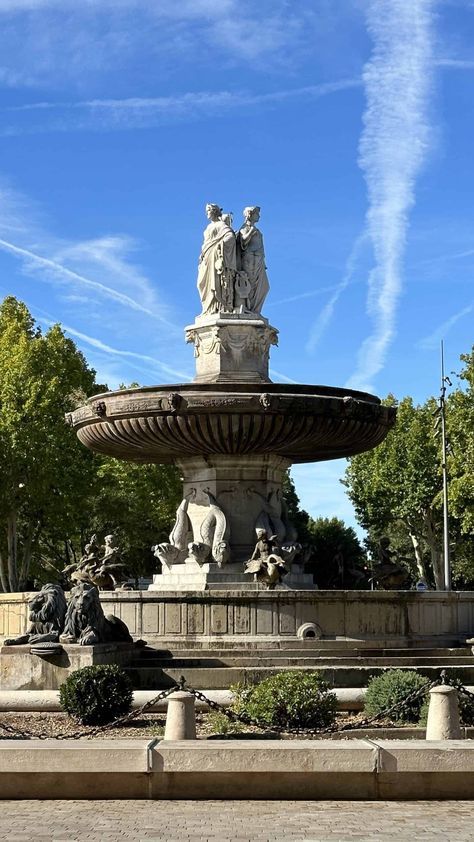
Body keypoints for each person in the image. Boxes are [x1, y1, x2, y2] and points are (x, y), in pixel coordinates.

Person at [197, 203, 236, 314]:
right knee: (201, 283)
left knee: (216, 282)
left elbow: (230, 236)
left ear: (215, 211)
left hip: (215, 256)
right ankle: (208, 308)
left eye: (208, 210)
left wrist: (220, 245)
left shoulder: (220, 225)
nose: (206, 213)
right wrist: (202, 253)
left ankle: (217, 306)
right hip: (207, 256)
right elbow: (206, 243)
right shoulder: (208, 227)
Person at [236, 206, 269, 314]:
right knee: (250, 284)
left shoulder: (256, 229)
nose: (259, 216)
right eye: (257, 214)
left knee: (264, 287)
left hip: (259, 260)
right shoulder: (244, 228)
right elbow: (243, 241)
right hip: (250, 259)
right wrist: (251, 232)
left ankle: (254, 310)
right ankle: (248, 308)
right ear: (250, 215)